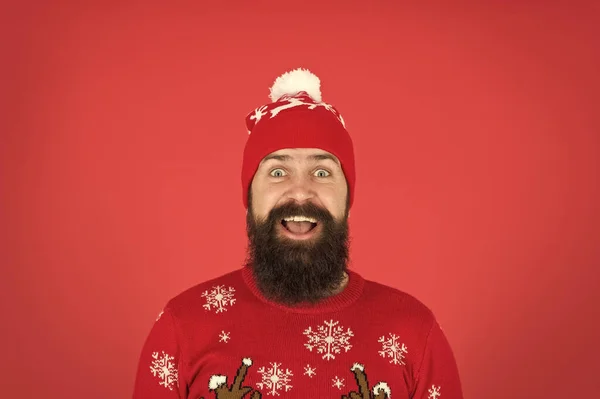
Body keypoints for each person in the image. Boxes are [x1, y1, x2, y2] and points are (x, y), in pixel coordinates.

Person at [132, 68, 464, 399]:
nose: (300, 193)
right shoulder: (183, 326)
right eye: (278, 171)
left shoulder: (414, 333)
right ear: (249, 197)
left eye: (322, 172)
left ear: (348, 199)